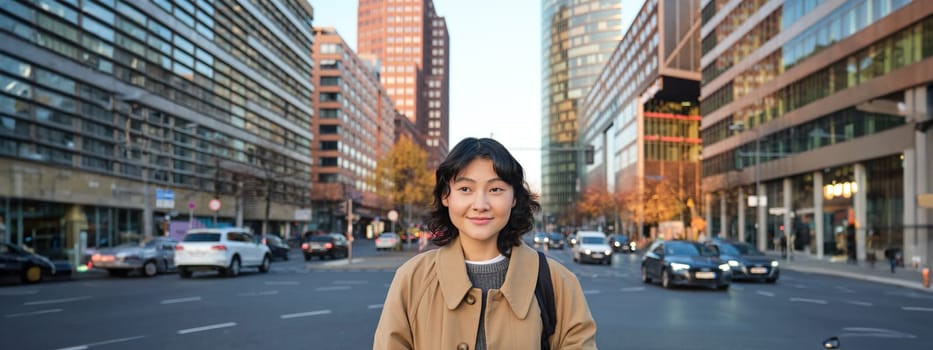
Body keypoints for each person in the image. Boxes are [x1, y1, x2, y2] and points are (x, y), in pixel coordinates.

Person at [373, 137, 597, 350]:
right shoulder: (413, 278)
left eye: (495, 189)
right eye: (465, 189)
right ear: (445, 196)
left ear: (515, 198)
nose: (480, 204)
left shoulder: (558, 282)